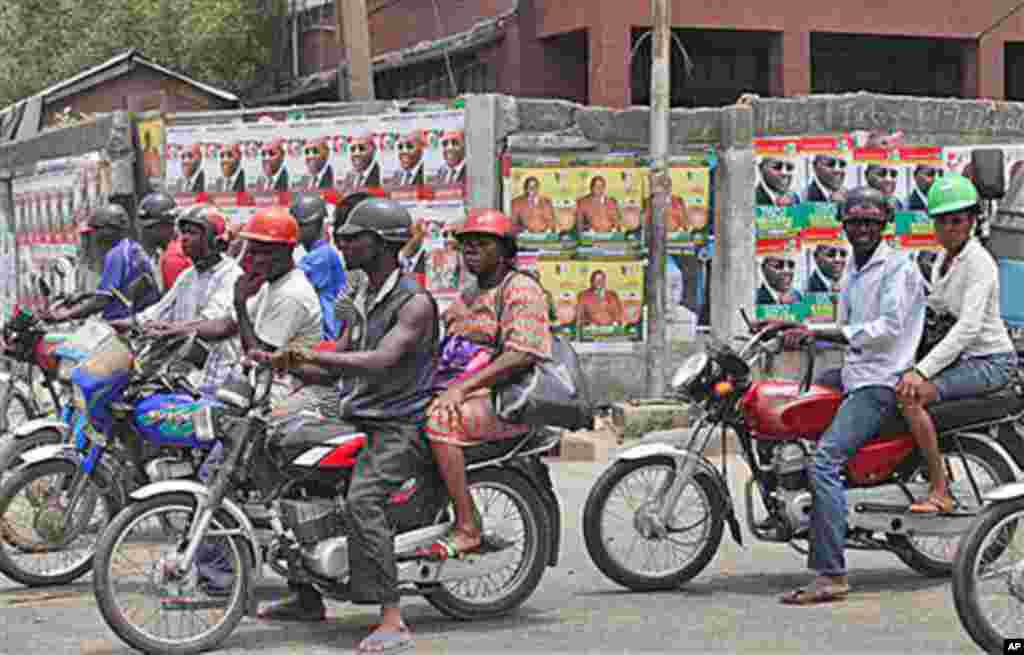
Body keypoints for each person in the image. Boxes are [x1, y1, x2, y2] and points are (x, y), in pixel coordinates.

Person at [255, 198, 439, 655]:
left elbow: (380, 362)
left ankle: (393, 618)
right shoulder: (359, 295)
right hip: (355, 412)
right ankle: (306, 594)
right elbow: (339, 361)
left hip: (399, 424)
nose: (344, 245)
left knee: (363, 499)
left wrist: (308, 355)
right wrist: (283, 364)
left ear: (381, 244)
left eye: (353, 239)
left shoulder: (414, 303)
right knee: (289, 467)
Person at [763, 186, 925, 605]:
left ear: (885, 223)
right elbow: (844, 327)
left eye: (871, 222)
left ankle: (831, 575)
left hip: (881, 381)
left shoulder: (898, 269)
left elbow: (887, 328)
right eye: (855, 222)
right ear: (844, 223)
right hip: (854, 371)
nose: (863, 229)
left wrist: (824, 333)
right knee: (785, 411)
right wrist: (790, 330)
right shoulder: (854, 264)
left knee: (825, 462)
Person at [422, 208, 551, 559]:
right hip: (463, 388)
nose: (471, 250)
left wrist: (459, 390)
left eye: (482, 243)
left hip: (504, 398)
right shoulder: (469, 292)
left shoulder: (521, 290)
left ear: (506, 251)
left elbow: (520, 354)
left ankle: (468, 526)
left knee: (440, 421)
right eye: (466, 244)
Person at [896, 174, 1017, 513]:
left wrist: (920, 371)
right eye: (942, 221)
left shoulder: (980, 263)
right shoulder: (943, 260)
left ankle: (940, 490)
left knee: (911, 397)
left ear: (971, 221)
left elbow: (967, 327)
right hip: (966, 360)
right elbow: (933, 308)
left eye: (957, 220)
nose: (949, 227)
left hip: (991, 361)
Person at [111, 205, 243, 395]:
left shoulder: (230, 275)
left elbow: (212, 322)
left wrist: (170, 329)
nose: (184, 238)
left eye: (193, 233)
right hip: (184, 376)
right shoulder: (188, 276)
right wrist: (124, 323)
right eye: (183, 232)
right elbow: (160, 310)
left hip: (215, 380)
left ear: (214, 239)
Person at [43, 204, 160, 323]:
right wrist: (85, 296)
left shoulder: (116, 255)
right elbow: (119, 292)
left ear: (109, 230)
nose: (93, 236)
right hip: (135, 320)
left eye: (96, 229)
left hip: (121, 324)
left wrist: (65, 315)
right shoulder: (131, 248)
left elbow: (101, 301)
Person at [293, 194, 347, 340]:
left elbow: (287, 280)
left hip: (328, 338)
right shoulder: (321, 253)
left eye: (300, 225)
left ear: (316, 224)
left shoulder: (321, 256)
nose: (294, 230)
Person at [137, 191, 178, 295]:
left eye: (150, 227)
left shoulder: (174, 257)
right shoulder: (156, 254)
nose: (144, 233)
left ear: (169, 225)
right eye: (144, 227)